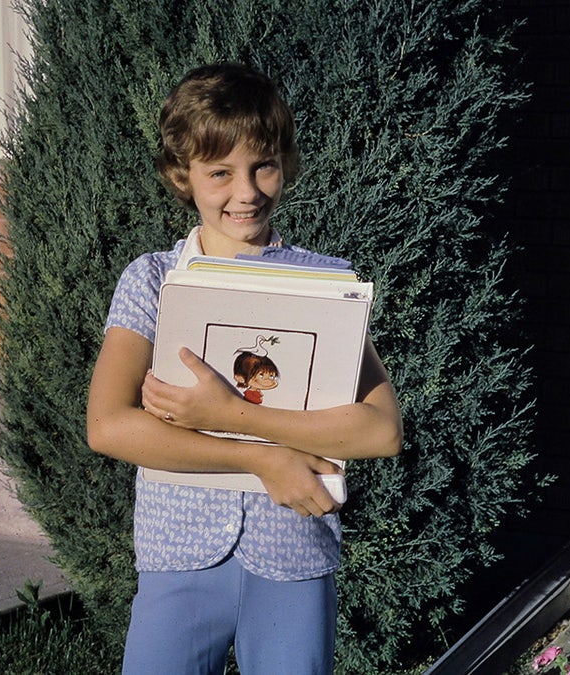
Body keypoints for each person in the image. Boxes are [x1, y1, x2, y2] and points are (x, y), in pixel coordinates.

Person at [85, 63, 403, 675]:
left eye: (263, 165)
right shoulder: (151, 280)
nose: (247, 191)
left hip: (294, 549)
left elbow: (381, 431)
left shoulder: (326, 284)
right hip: (179, 553)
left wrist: (227, 414)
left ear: (285, 162)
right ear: (183, 176)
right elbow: (108, 426)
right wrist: (262, 457)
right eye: (219, 173)